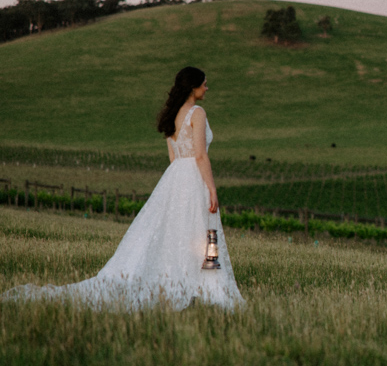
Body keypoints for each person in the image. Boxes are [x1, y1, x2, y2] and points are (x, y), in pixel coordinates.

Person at [1, 67, 245, 311]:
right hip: (192, 177)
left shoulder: (173, 115)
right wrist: (211, 188)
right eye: (204, 84)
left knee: (177, 233)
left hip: (175, 178)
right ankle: (202, 287)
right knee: (202, 233)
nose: (207, 88)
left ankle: (185, 283)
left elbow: (173, 158)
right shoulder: (197, 113)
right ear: (193, 87)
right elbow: (201, 156)